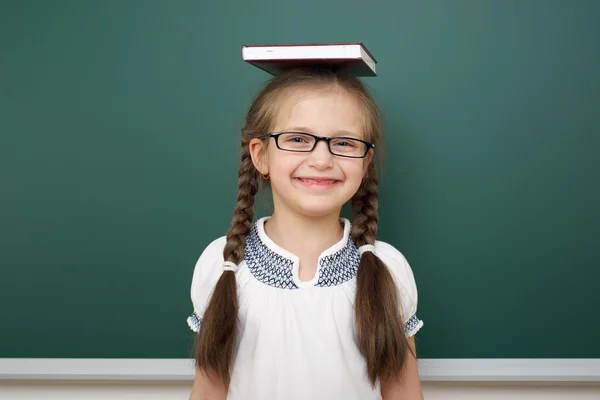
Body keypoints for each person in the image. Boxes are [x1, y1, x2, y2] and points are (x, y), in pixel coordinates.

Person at [186, 67, 424, 400]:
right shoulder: (221, 263)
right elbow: (209, 390)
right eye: (298, 139)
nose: (322, 159)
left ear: (366, 161)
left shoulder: (389, 268)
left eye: (343, 142)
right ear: (260, 155)